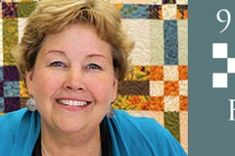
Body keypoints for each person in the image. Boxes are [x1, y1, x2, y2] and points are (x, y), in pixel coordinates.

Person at [0, 0, 187, 155]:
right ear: (30, 78)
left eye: (93, 66)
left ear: (114, 85)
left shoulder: (154, 145)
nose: (74, 82)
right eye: (57, 63)